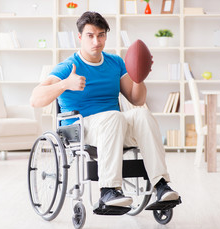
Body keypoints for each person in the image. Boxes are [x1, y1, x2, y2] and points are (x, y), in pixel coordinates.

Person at [30, 11, 180, 208]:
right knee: (114, 117)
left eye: (101, 35)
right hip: (82, 128)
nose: (96, 41)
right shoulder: (68, 66)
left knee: (142, 113)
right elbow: (35, 99)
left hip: (114, 125)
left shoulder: (115, 62)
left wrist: (139, 76)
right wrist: (65, 84)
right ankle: (108, 190)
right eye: (90, 36)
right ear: (80, 37)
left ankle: (161, 185)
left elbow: (137, 99)